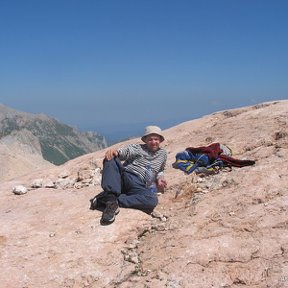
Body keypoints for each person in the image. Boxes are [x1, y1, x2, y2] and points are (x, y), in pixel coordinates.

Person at [90, 125, 168, 225]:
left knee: (151, 200)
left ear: (160, 140)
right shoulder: (138, 148)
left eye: (156, 139)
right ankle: (110, 202)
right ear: (145, 140)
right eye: (150, 139)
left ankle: (110, 200)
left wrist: (160, 178)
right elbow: (125, 152)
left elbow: (160, 169)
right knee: (110, 158)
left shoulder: (163, 154)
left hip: (138, 185)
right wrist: (116, 152)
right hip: (125, 175)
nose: (153, 142)